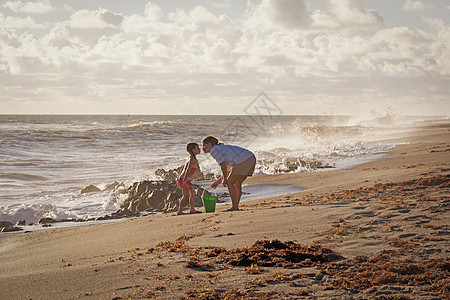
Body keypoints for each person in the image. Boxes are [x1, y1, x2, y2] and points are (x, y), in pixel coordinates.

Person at [202, 136, 256, 211]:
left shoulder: (213, 150)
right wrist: (218, 182)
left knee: (230, 182)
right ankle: (236, 205)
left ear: (210, 144)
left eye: (204, 145)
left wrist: (225, 180)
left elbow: (223, 166)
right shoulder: (221, 148)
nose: (203, 148)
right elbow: (228, 171)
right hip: (250, 158)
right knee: (237, 183)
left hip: (243, 161)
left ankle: (234, 206)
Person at [176, 143, 202, 215]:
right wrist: (184, 179)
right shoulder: (192, 159)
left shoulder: (190, 158)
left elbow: (182, 168)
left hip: (185, 177)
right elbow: (188, 169)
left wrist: (182, 176)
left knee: (192, 193)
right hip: (185, 178)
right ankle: (180, 211)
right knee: (185, 195)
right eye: (197, 148)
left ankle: (192, 209)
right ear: (192, 150)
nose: (199, 149)